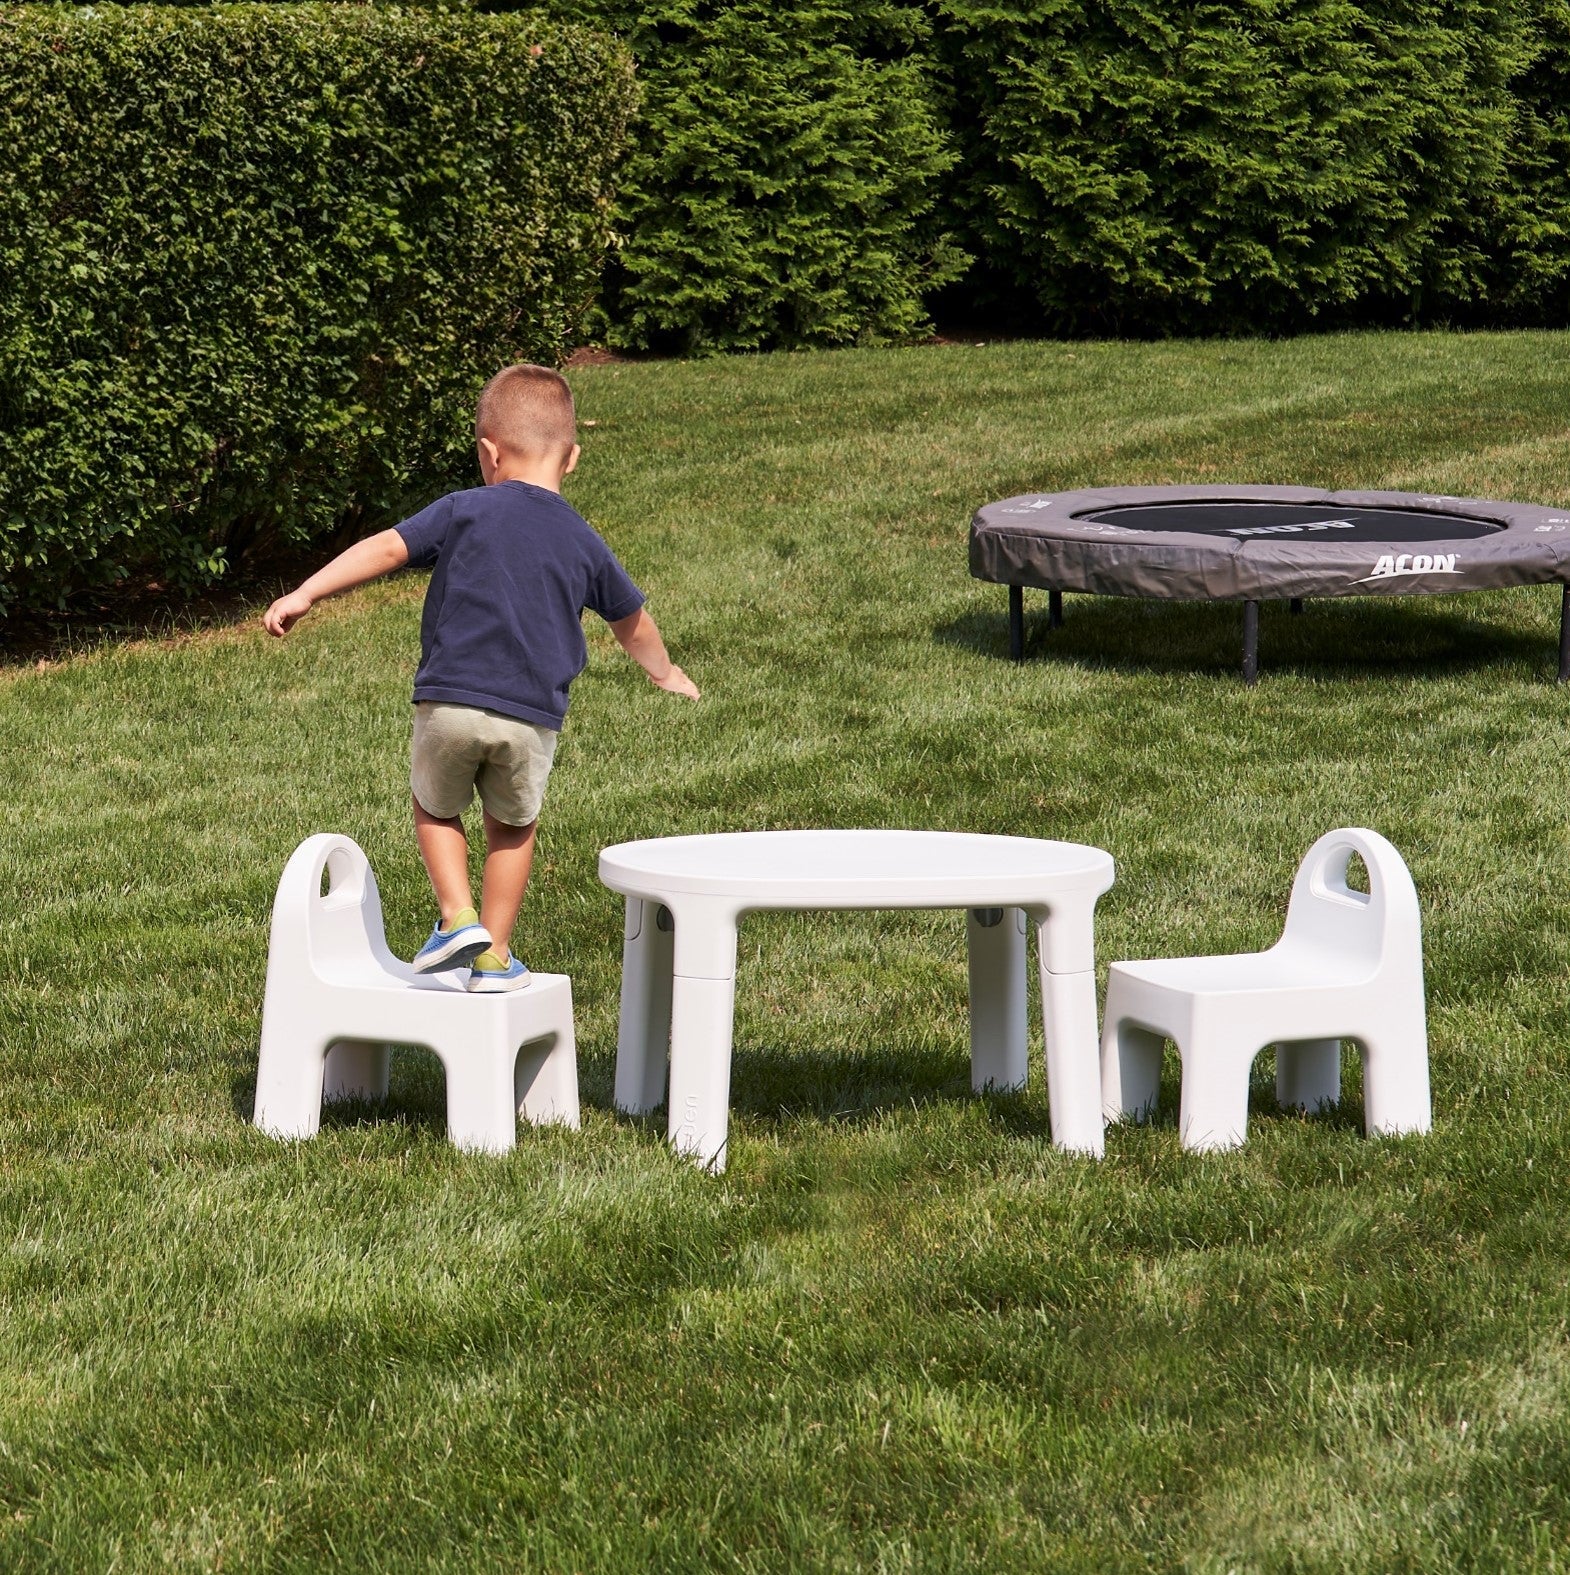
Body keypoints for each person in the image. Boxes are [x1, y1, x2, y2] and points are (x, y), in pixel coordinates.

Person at [263, 363, 698, 991]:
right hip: (532, 718)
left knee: (434, 805)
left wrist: (307, 592)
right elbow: (632, 623)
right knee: (512, 827)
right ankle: (494, 956)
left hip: (450, 701)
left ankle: (455, 916)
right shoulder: (583, 540)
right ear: (572, 458)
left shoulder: (464, 508)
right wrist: (665, 671)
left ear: (489, 453)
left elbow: (387, 548)